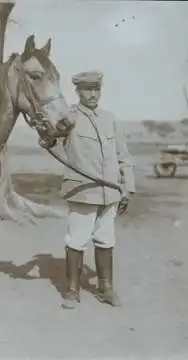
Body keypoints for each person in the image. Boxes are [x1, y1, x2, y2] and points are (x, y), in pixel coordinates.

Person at [60, 71, 135, 309]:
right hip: (83, 192)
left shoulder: (109, 119)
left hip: (109, 193)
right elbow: (51, 135)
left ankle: (106, 288)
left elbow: (124, 156)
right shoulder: (69, 118)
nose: (92, 94)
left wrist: (128, 188)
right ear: (78, 92)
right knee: (77, 240)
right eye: (87, 89)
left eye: (96, 89)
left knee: (105, 240)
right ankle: (72, 291)